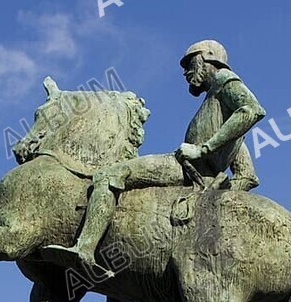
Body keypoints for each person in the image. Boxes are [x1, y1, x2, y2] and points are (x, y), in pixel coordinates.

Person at [45, 39, 266, 285]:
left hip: (184, 168)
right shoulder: (221, 108)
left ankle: (84, 248)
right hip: (194, 172)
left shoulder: (225, 81)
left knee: (108, 175)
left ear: (208, 58)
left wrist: (202, 149)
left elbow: (252, 110)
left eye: (190, 63)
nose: (186, 72)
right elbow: (247, 173)